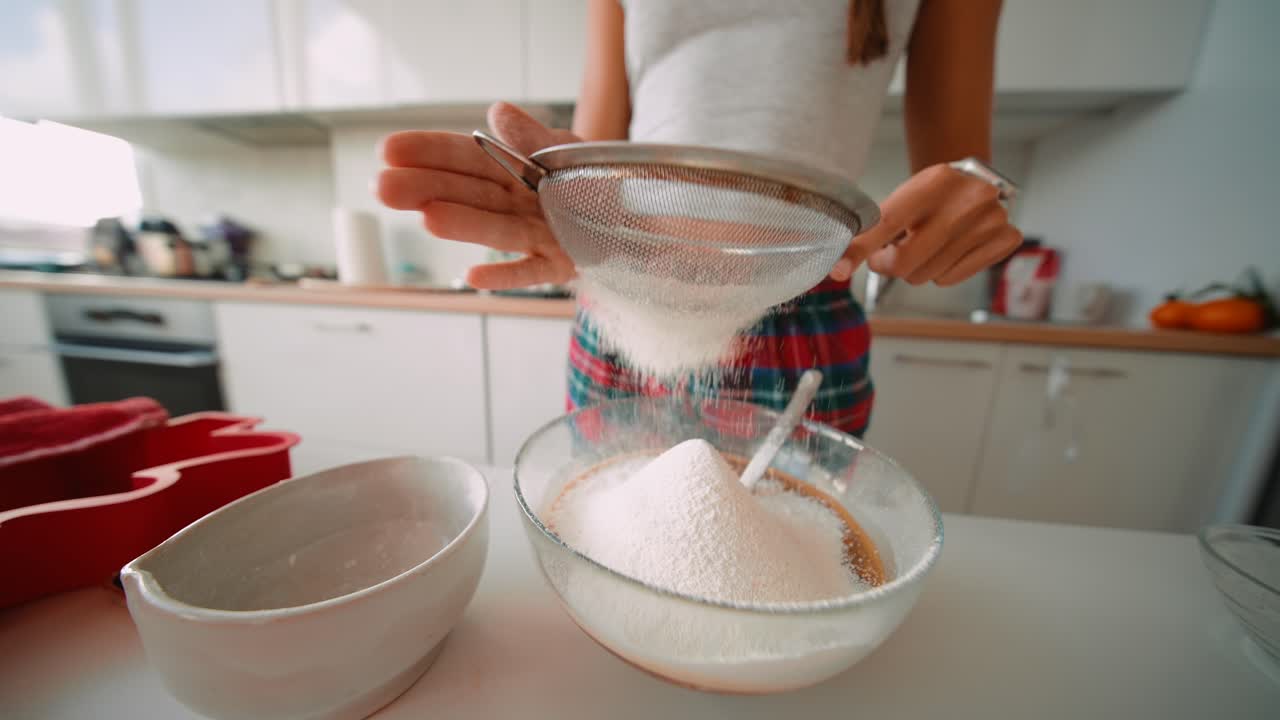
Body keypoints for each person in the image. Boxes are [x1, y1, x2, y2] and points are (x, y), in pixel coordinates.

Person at [377, 0, 1021, 437]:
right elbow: (597, 144)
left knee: (786, 571)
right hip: (623, 301)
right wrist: (568, 211)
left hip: (802, 311)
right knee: (607, 541)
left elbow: (957, 170)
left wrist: (970, 200)